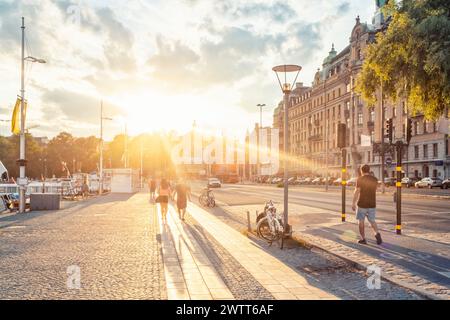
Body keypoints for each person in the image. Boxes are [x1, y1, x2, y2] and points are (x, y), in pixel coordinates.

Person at [352, 164, 383, 245]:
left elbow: (357, 191)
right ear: (369, 170)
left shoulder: (360, 179)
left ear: (361, 171)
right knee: (372, 220)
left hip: (362, 204)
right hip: (372, 203)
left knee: (361, 221)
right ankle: (377, 233)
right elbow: (376, 189)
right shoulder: (374, 179)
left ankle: (363, 239)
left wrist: (353, 203)